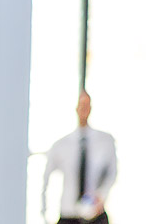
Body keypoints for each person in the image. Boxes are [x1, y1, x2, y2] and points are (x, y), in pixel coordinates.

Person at [40, 91, 116, 224]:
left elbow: (112, 173)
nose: (84, 109)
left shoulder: (105, 141)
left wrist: (101, 196)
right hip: (69, 214)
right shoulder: (61, 145)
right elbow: (46, 180)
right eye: (81, 105)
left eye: (87, 105)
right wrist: (44, 213)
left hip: (95, 214)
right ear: (76, 108)